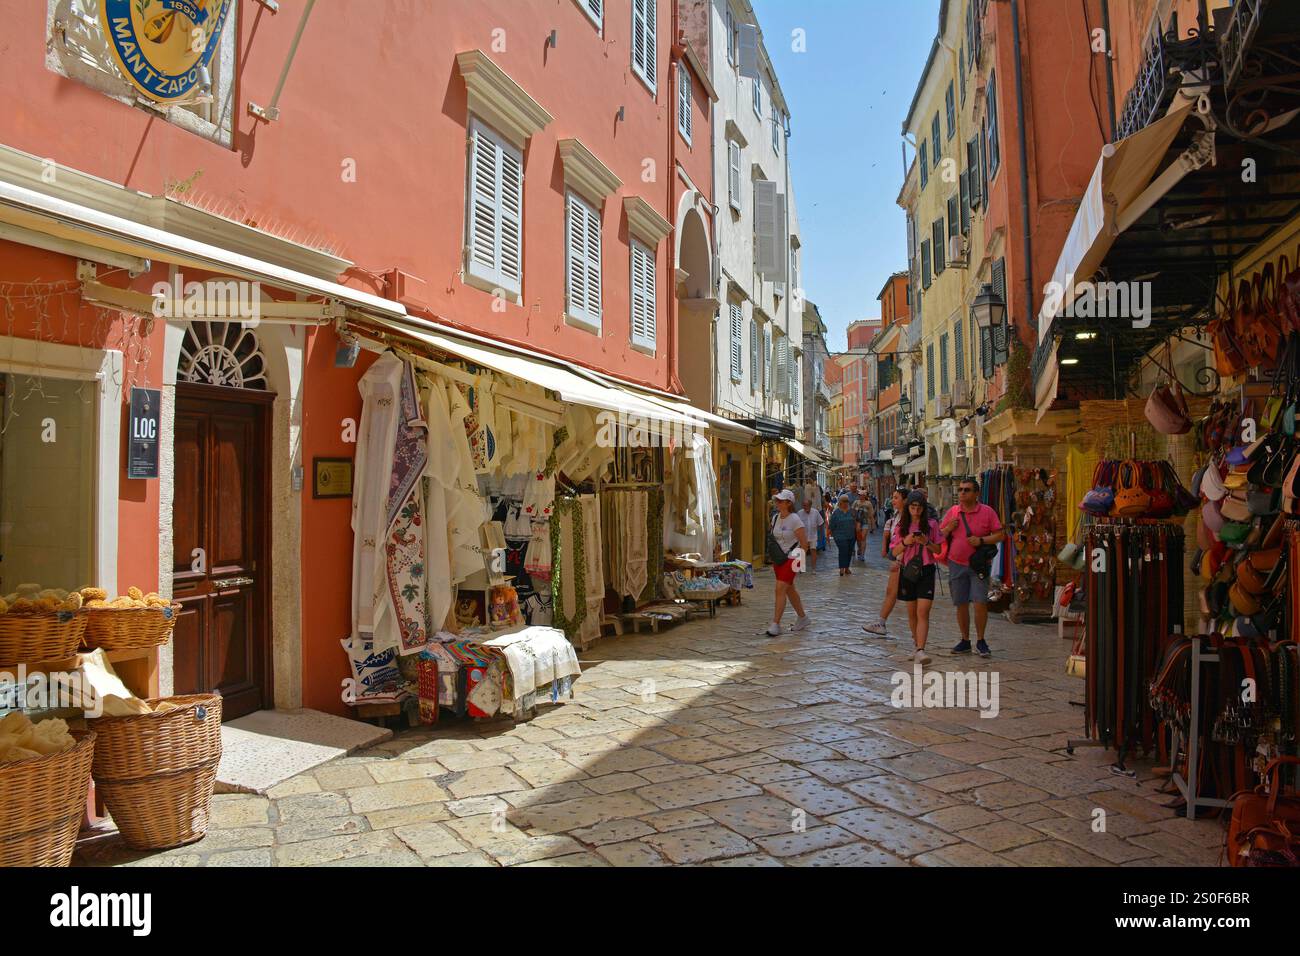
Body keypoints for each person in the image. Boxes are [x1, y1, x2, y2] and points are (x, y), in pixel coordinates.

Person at [939, 477, 1006, 658]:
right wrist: (949, 528)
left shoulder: (987, 512)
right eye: (960, 490)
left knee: (979, 603)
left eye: (967, 490)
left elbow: (1000, 535)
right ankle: (965, 640)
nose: (962, 493)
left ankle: (981, 640)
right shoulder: (953, 512)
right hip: (956, 563)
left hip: (979, 566)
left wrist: (981, 540)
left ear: (976, 493)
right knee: (960, 603)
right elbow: (938, 535)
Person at [890, 490, 944, 666]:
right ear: (908, 508)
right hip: (908, 571)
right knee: (912, 612)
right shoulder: (901, 527)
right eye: (913, 507)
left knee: (923, 611)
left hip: (926, 570)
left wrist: (926, 542)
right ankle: (916, 645)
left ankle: (921, 649)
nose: (916, 511)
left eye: (919, 507)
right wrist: (906, 542)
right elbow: (894, 552)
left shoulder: (932, 525)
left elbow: (938, 550)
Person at [862, 487, 909, 639]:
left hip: (904, 561)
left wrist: (899, 559)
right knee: (892, 592)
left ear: (905, 500)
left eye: (896, 498)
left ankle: (917, 639)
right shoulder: (897, 515)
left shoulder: (906, 518)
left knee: (906, 597)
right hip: (898, 559)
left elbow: (907, 540)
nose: (893, 500)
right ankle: (881, 622)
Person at [767, 489, 811, 636]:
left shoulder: (795, 520)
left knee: (779, 588)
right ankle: (803, 618)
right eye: (777, 500)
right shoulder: (775, 518)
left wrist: (800, 564)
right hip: (778, 558)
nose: (777, 503)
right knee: (789, 589)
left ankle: (776, 623)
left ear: (788, 503)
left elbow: (804, 544)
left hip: (793, 558)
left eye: (780, 500)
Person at [828, 494, 859, 576]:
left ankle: (847, 568)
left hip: (851, 535)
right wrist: (829, 535)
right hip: (839, 536)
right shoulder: (836, 513)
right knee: (843, 550)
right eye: (844, 501)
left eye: (846, 501)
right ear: (840, 502)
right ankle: (842, 568)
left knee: (849, 551)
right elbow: (831, 525)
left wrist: (858, 529)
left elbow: (857, 521)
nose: (845, 503)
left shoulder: (852, 511)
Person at [797, 497, 824, 571]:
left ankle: (814, 568)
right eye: (804, 505)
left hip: (813, 535)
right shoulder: (799, 513)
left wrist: (821, 535)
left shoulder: (815, 512)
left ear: (810, 505)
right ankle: (801, 568)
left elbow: (821, 523)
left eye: (807, 505)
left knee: (813, 551)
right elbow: (796, 525)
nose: (805, 507)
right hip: (803, 536)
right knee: (802, 552)